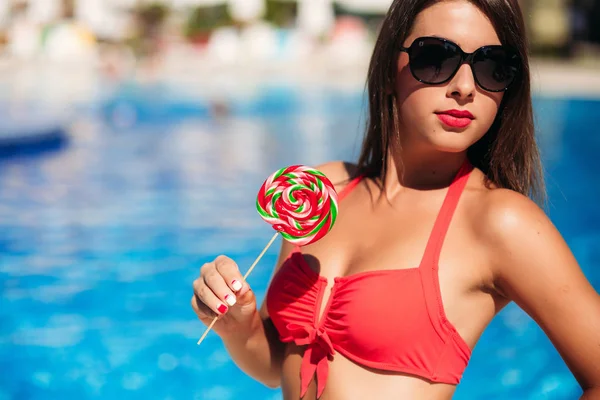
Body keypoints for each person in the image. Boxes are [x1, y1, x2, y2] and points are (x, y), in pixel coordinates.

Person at [191, 0, 600, 398]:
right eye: (436, 57)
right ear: (389, 68)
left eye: (493, 67)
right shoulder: (322, 190)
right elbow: (274, 363)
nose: (464, 87)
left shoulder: (499, 222)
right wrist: (238, 326)